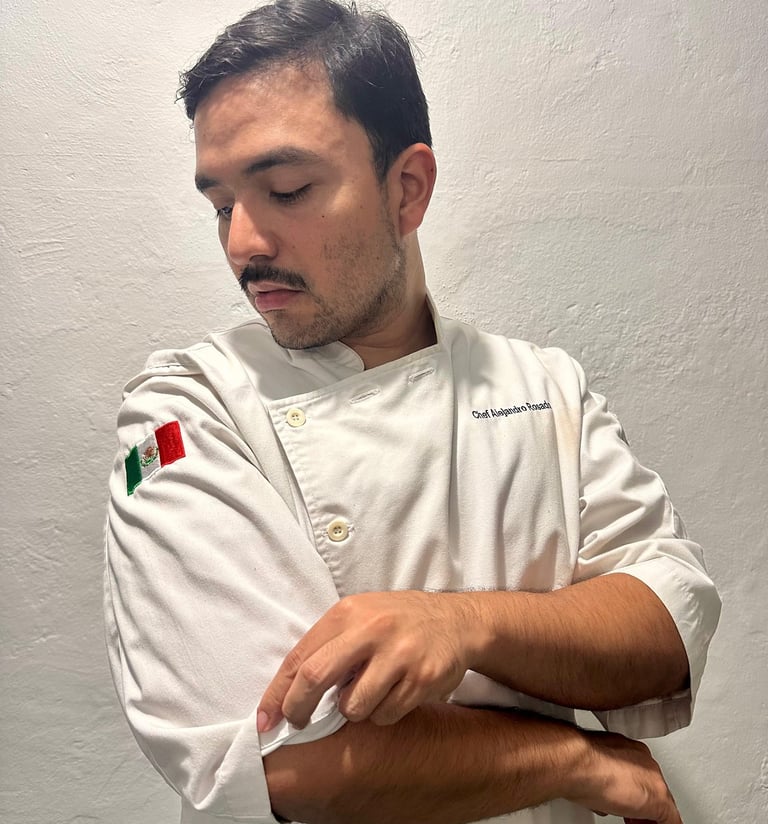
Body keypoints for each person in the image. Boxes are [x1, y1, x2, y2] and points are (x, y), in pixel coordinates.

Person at [103, 1, 721, 822]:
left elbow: (666, 631)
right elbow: (283, 762)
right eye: (221, 204)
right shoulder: (185, 409)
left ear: (407, 189)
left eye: (286, 190)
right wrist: (577, 759)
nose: (243, 244)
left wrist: (463, 625)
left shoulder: (543, 385)